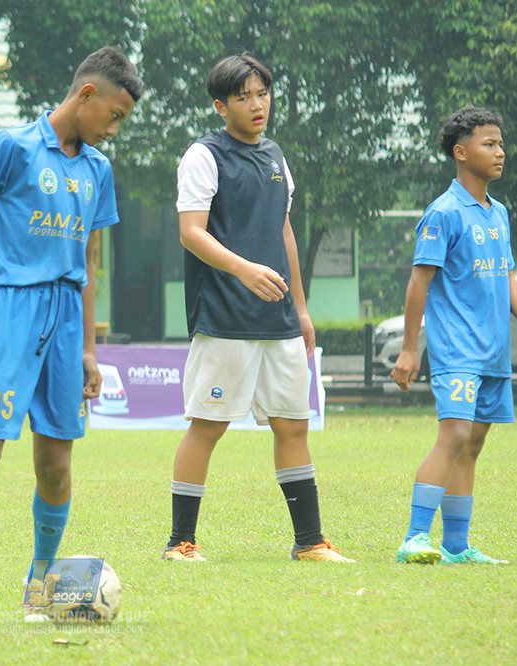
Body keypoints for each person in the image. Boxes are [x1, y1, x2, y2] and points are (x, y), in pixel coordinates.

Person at [0, 47, 142, 636]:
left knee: (56, 464)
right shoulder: (11, 147)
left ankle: (39, 587)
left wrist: (91, 349)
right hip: (8, 309)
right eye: (114, 115)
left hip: (67, 319)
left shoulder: (97, 170)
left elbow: (89, 261)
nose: (114, 130)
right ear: (87, 95)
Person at [162, 54, 353, 564]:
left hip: (280, 320)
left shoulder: (275, 156)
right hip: (224, 317)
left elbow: (283, 231)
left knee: (292, 425)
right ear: (220, 106)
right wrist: (244, 270)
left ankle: (309, 542)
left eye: (262, 92)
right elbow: (191, 232)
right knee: (208, 425)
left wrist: (303, 308)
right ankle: (180, 543)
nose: (257, 104)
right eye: (244, 96)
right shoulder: (203, 156)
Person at [392, 106, 517, 565]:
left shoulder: (498, 213)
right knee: (454, 434)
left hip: (493, 353)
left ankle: (456, 546)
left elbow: (506, 273)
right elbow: (419, 281)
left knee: (473, 445)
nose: (501, 152)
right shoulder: (443, 213)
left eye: (500, 143)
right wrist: (408, 347)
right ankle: (415, 537)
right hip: (457, 350)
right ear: (461, 152)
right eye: (489, 144)